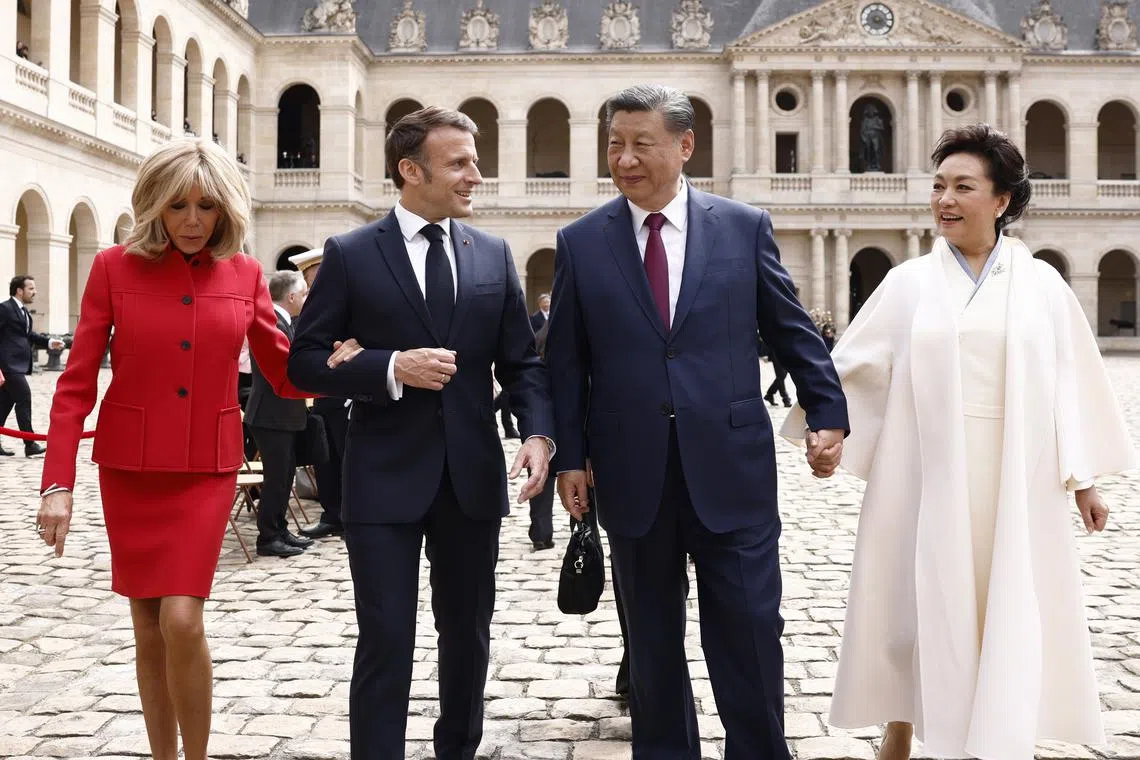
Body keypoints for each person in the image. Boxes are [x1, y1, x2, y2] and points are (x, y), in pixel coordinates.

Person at [780, 124, 1136, 760]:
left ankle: (995, 726)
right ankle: (900, 722)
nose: (944, 199)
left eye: (963, 187)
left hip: (1014, 474)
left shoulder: (1043, 286)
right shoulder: (909, 282)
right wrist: (827, 429)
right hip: (923, 470)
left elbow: (1067, 380)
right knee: (912, 600)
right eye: (939, 185)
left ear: (1002, 200)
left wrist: (1083, 480)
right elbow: (855, 367)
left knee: (1002, 598)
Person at [546, 84, 848, 759]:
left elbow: (791, 330)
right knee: (651, 644)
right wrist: (570, 457)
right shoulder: (581, 242)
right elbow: (566, 363)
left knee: (749, 631)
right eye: (615, 144)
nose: (625, 159)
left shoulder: (743, 227)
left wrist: (827, 410)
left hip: (732, 468)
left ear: (685, 146)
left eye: (641, 144)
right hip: (631, 473)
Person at [34, 137, 358, 760]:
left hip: (206, 469)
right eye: (178, 205)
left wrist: (341, 367)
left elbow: (284, 371)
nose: (191, 220)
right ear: (155, 204)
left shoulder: (244, 274)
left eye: (206, 206)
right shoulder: (112, 267)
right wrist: (57, 484)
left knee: (181, 619)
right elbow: (74, 385)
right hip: (130, 468)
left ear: (224, 210)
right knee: (147, 629)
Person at [288, 105, 555, 760]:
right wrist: (389, 367)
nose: (476, 175)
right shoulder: (351, 254)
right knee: (386, 639)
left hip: (472, 480)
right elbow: (304, 361)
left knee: (467, 636)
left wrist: (539, 435)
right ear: (411, 170)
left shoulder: (493, 254)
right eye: (459, 163)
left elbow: (522, 365)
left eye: (474, 161)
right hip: (383, 480)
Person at [245, 270, 315, 558]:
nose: (307, 298)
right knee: (276, 478)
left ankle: (280, 529)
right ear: (292, 296)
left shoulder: (285, 320)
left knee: (285, 477)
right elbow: (284, 365)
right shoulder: (272, 321)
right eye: (304, 293)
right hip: (271, 413)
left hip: (283, 413)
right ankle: (269, 536)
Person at [289, 247, 346, 540]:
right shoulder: (311, 310)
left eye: (316, 281)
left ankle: (351, 516)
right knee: (325, 460)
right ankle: (332, 515)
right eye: (309, 283)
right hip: (322, 395)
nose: (312, 289)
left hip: (348, 395)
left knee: (349, 460)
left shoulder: (347, 302)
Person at [0, 275, 64, 457]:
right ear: (19, 291)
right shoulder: (4, 309)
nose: (34, 292)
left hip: (17, 365)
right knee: (24, 397)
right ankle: (29, 443)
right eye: (31, 288)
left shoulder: (23, 312)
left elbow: (28, 335)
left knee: (4, 404)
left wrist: (50, 342)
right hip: (8, 365)